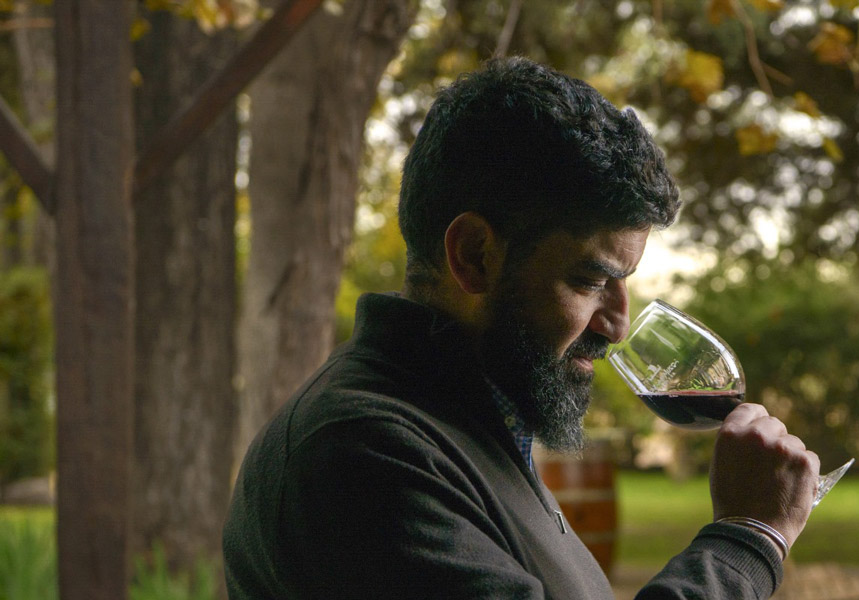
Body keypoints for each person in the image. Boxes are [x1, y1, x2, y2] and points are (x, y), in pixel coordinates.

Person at [223, 57, 821, 599]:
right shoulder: (363, 457)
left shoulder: (468, 422)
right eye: (589, 279)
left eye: (623, 281)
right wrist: (748, 539)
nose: (618, 326)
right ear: (474, 255)